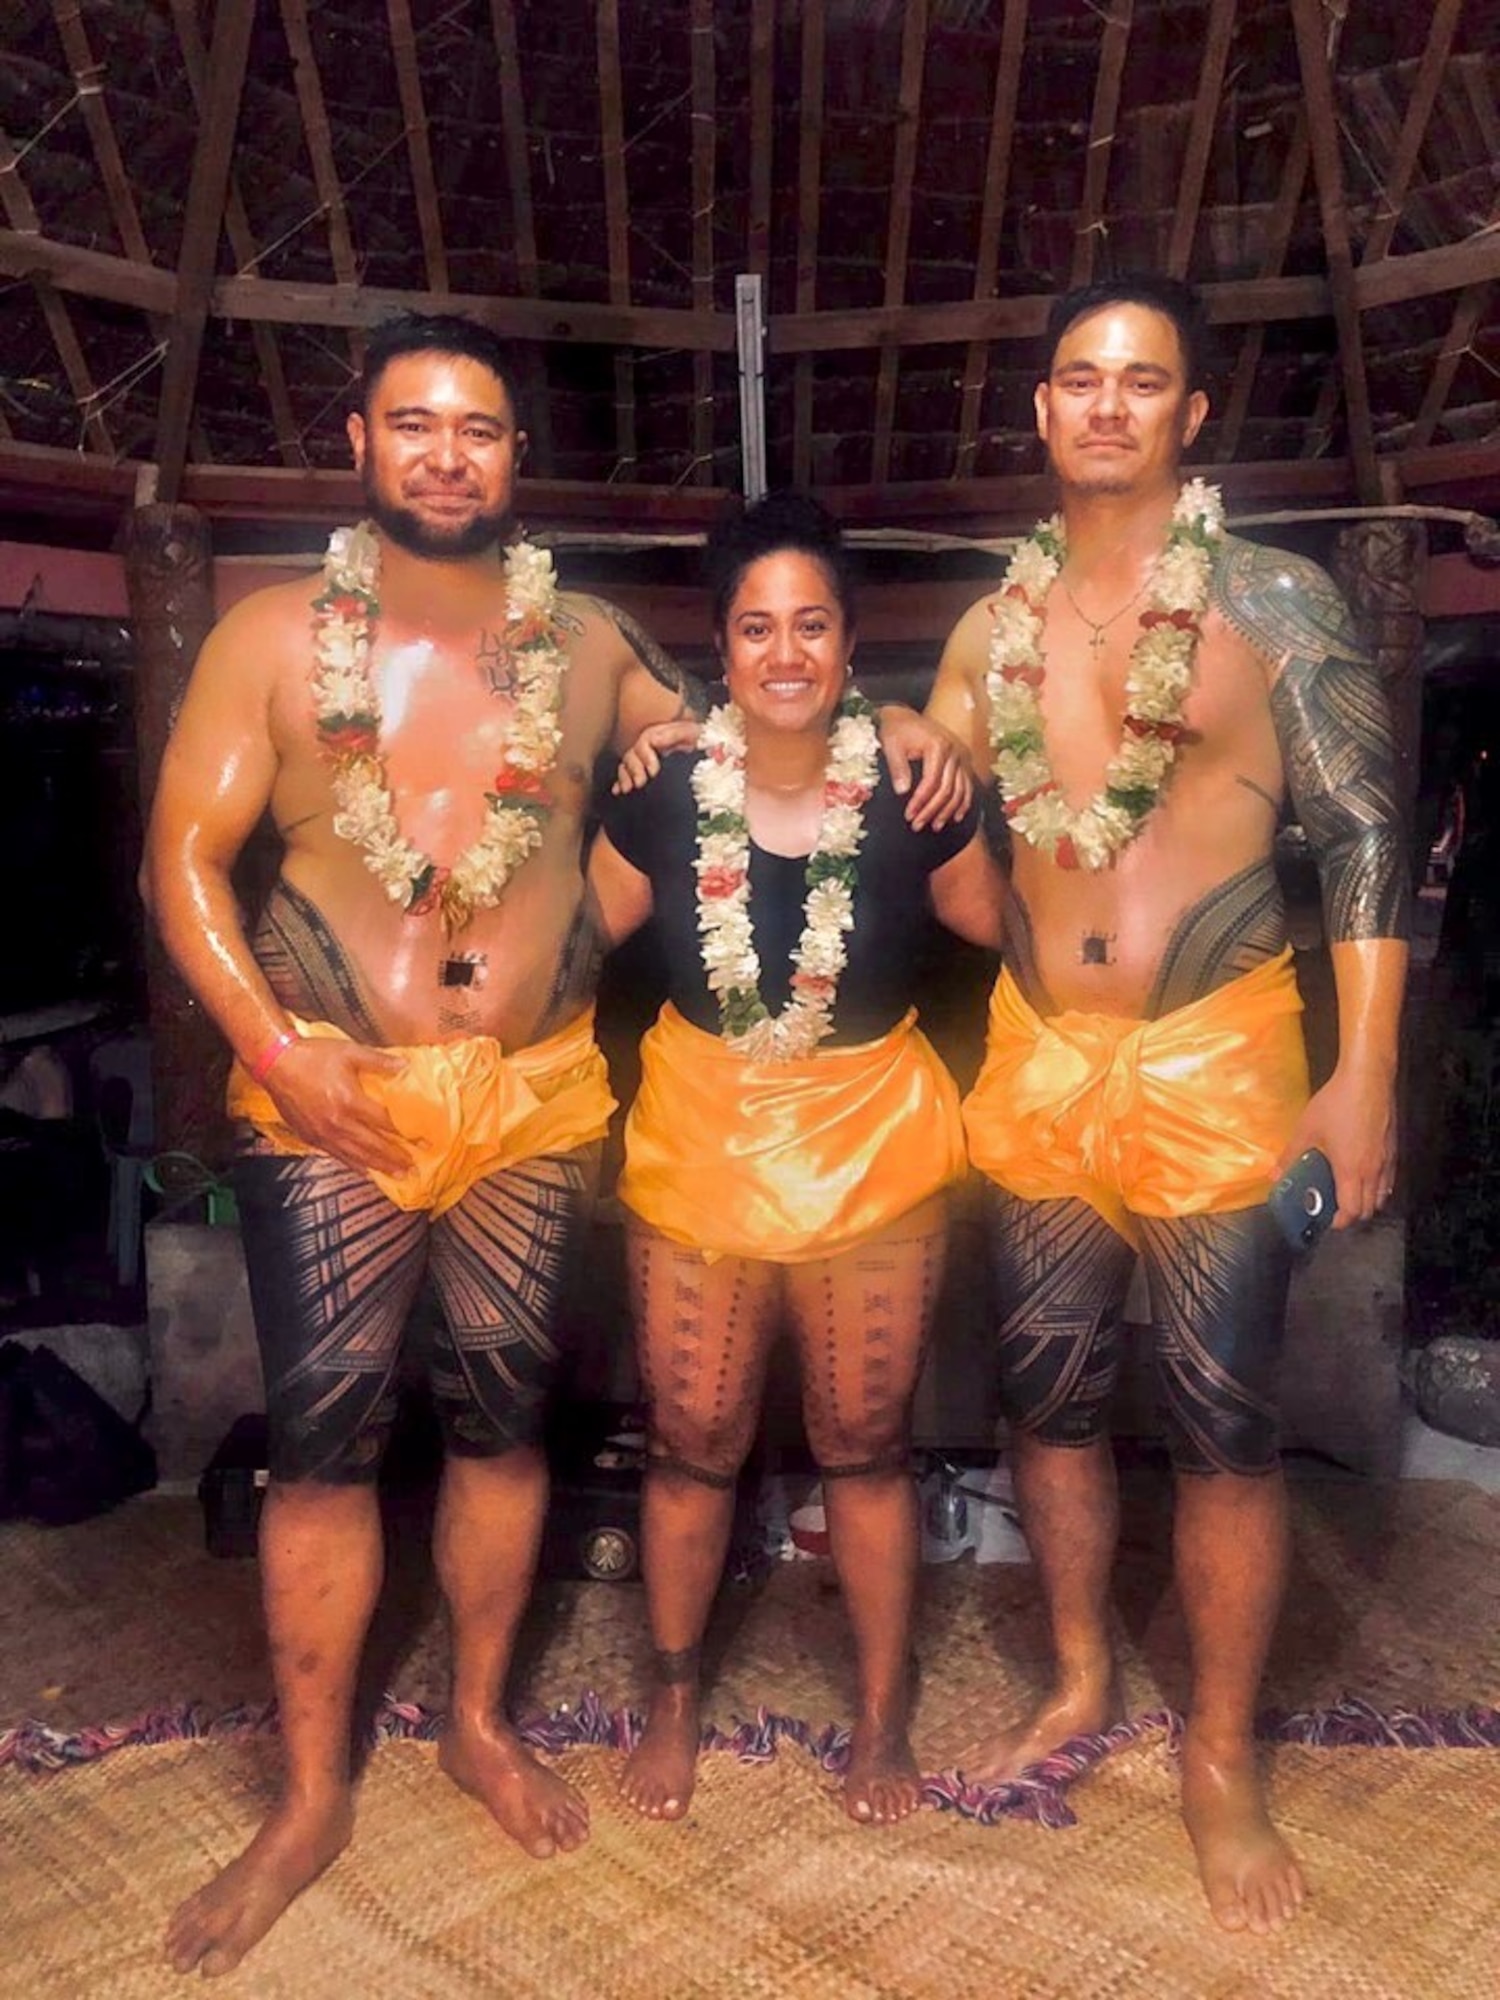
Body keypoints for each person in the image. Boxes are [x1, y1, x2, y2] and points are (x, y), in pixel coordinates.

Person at [143, 312, 965, 1978]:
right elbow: (182, 860)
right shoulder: (268, 636)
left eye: (484, 429)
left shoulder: (586, 645)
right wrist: (272, 1053)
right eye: (417, 423)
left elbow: (768, 707)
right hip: (336, 1092)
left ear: (516, 460)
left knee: (504, 1422)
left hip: (530, 1097)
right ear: (357, 441)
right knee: (323, 1436)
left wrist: (915, 723)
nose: (450, 452)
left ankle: (477, 1720)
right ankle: (307, 1796)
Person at [926, 276, 1409, 1935]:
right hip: (1042, 1054)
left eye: (1144, 382)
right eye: (1080, 379)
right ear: (1043, 410)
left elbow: (1362, 838)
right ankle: (1075, 1675)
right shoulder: (992, 628)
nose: (1109, 406)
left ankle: (1219, 1752)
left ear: (1193, 415)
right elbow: (925, 811)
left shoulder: (1275, 601)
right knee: (1050, 1390)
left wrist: (1362, 1080)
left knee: (1220, 1415)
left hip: (1220, 1052)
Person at [587, 493, 1004, 1826]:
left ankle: (881, 1719)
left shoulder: (909, 787)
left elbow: (1020, 935)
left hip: (868, 1144)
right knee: (694, 1439)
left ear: (848, 640)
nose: (784, 651)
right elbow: (565, 943)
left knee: (865, 1444)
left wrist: (955, 751)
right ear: (719, 647)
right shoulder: (657, 795)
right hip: (702, 1141)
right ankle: (671, 1696)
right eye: (756, 626)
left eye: (810, 624)